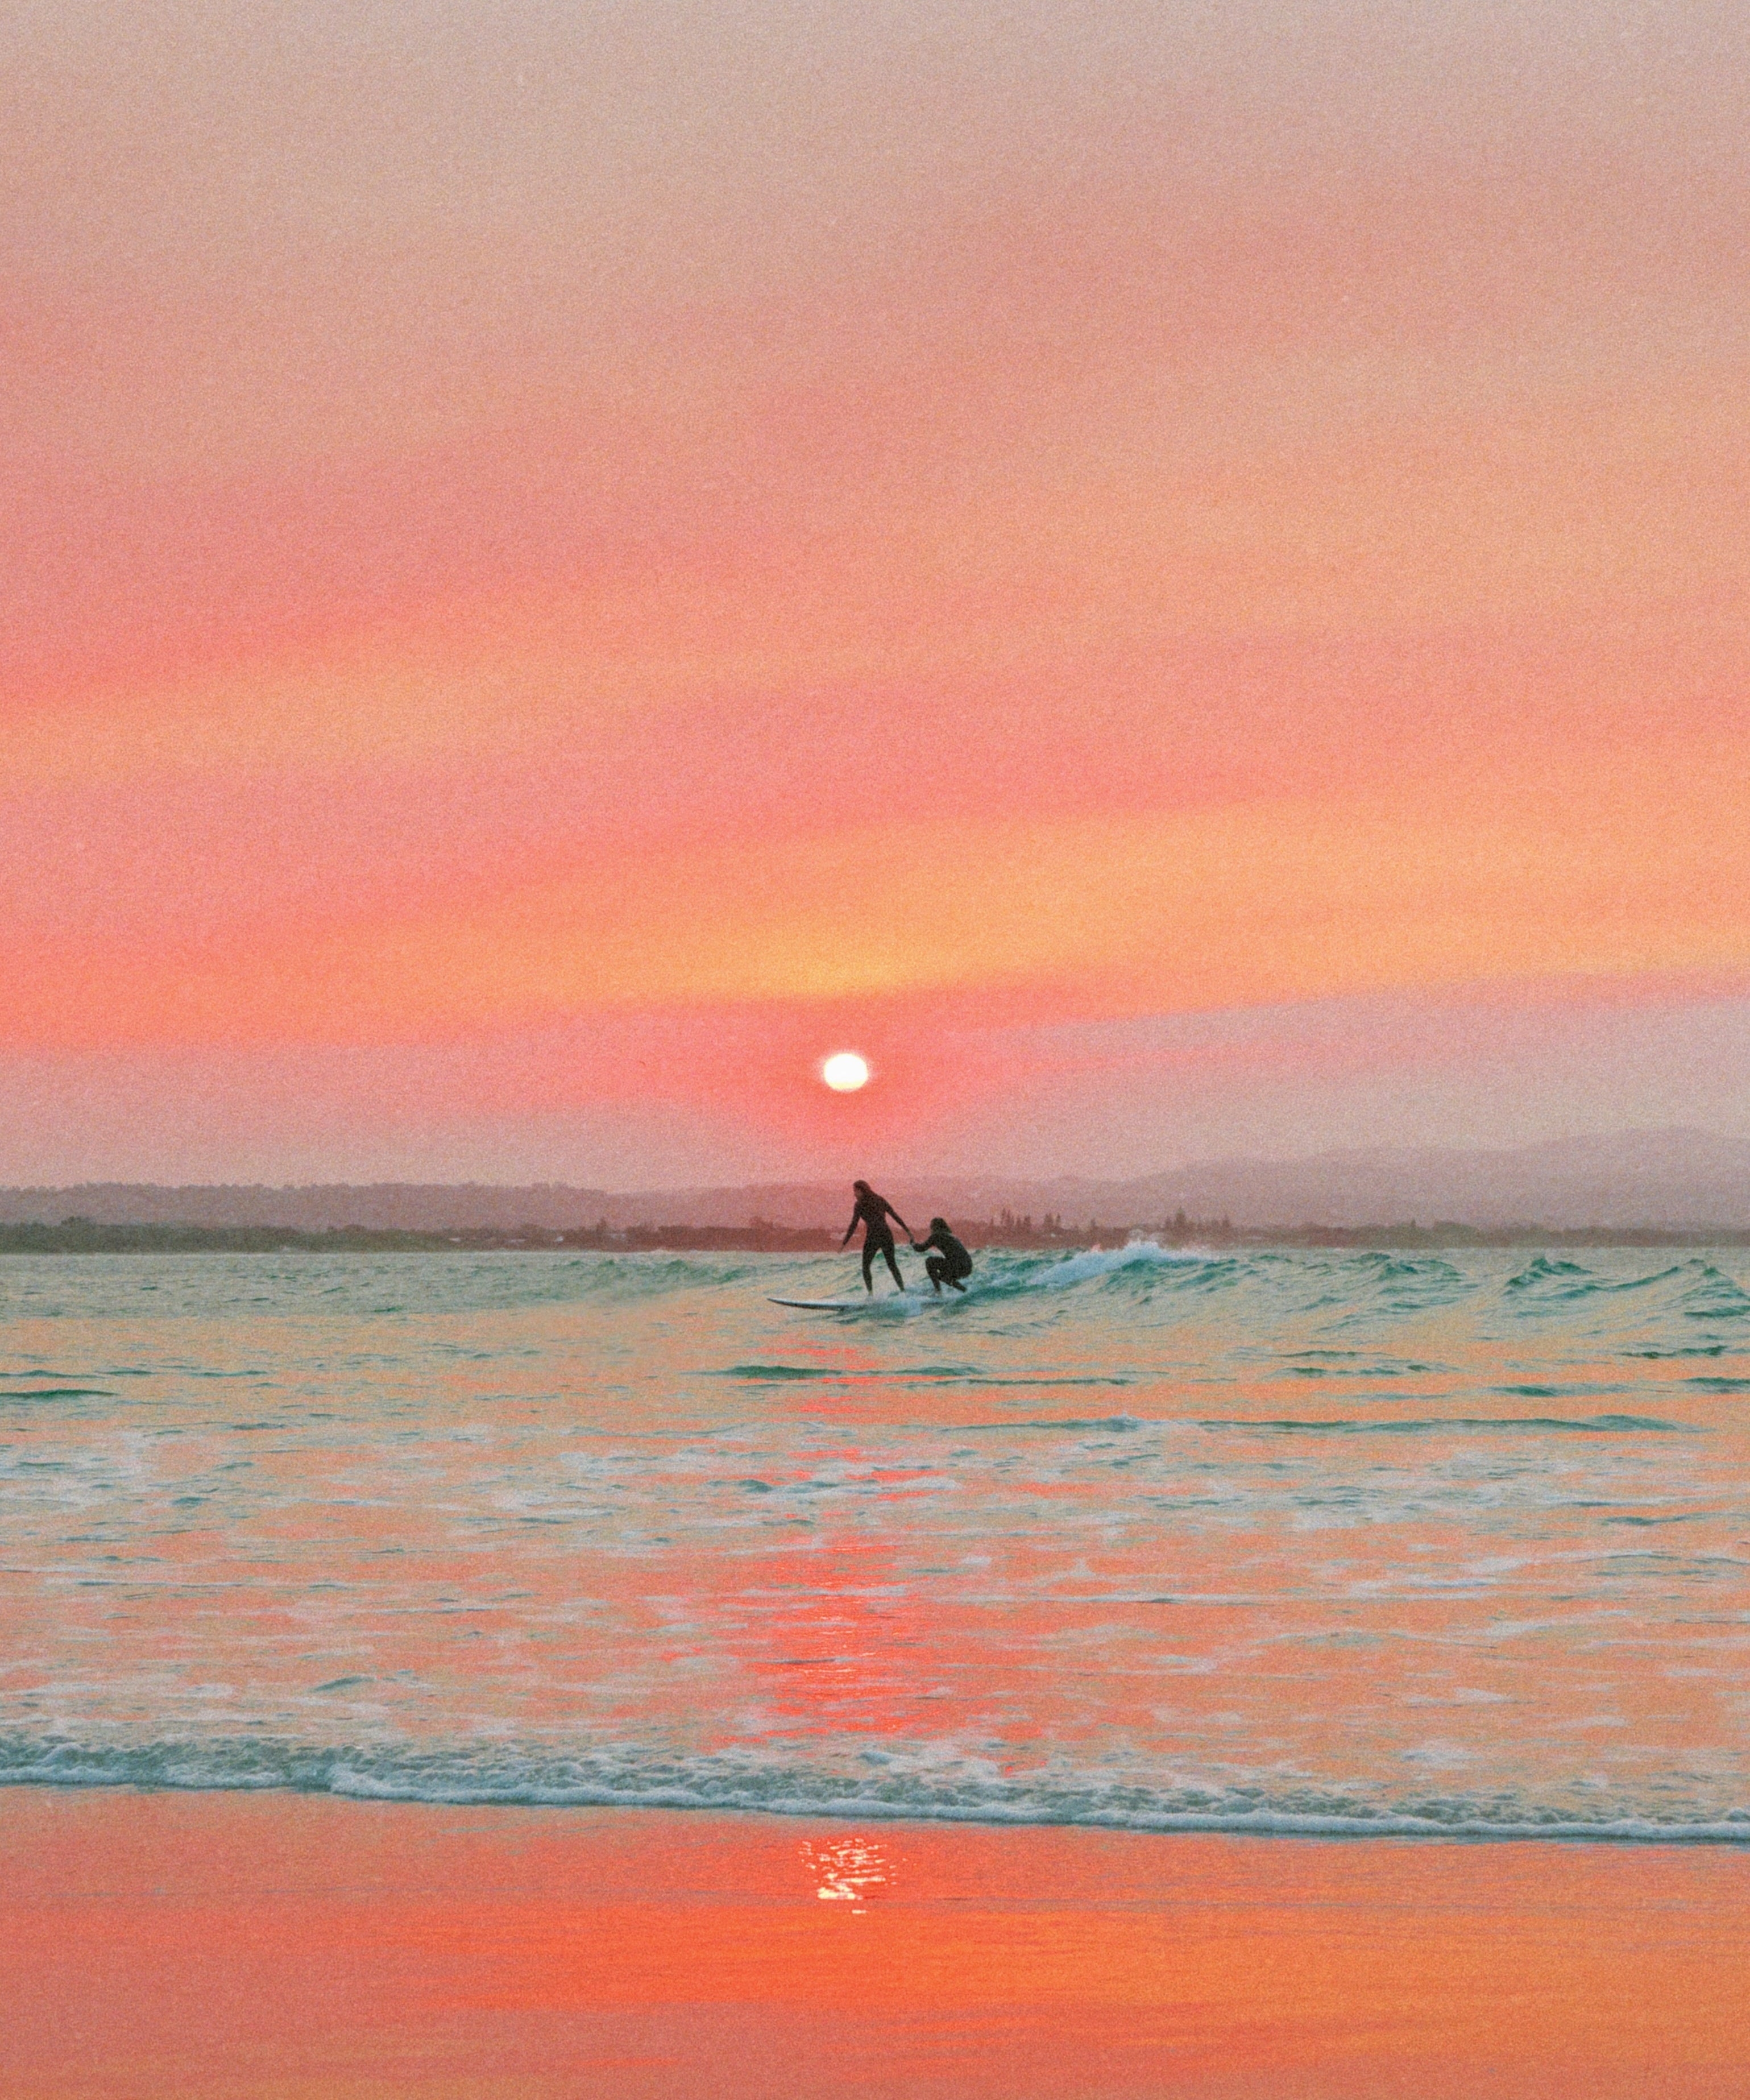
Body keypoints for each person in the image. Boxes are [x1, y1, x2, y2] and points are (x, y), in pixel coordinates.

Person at [841, 1179, 911, 1294]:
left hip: (873, 1237)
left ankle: (871, 1295)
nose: (854, 1194)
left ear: (861, 1191)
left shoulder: (859, 1205)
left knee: (866, 1267)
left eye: (855, 1191)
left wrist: (844, 1243)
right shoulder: (880, 1199)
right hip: (885, 1234)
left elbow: (854, 1224)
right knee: (892, 1265)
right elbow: (895, 1215)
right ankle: (903, 1291)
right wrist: (908, 1231)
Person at [911, 1216, 973, 1294]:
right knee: (942, 1276)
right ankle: (964, 1290)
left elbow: (920, 1249)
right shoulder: (950, 1236)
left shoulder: (936, 1235)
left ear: (935, 1227)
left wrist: (913, 1244)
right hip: (967, 1267)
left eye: (932, 1227)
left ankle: (938, 1292)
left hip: (958, 1266)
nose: (931, 1230)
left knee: (930, 1262)